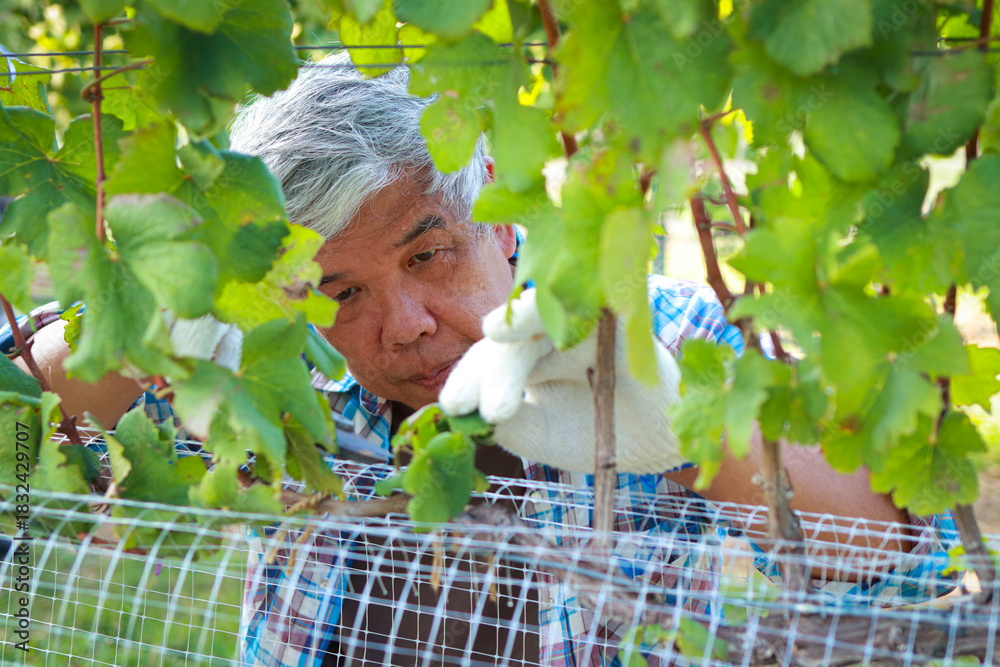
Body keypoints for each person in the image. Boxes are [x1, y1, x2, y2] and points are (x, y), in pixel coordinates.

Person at [5, 52, 957, 666]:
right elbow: (22, 430)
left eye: (428, 253)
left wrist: (696, 436)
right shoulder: (273, 362)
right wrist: (145, 325)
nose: (407, 323)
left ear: (491, 205)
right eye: (343, 291)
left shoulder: (648, 329)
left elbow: (908, 573)